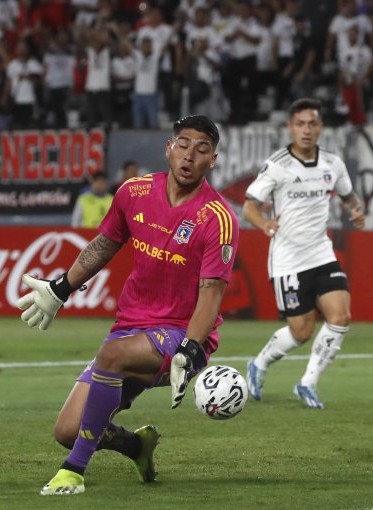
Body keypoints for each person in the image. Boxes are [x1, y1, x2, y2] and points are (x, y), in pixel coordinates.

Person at [17, 115, 239, 496]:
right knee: (68, 430)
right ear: (168, 148)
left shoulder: (218, 219)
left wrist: (191, 346)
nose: (190, 156)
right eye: (183, 145)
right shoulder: (133, 192)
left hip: (181, 335)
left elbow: (211, 293)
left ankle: (73, 472)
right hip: (131, 328)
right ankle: (137, 447)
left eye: (202, 150)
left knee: (111, 355)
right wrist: (61, 289)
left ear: (212, 161)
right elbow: (104, 245)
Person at [243, 98, 366, 409]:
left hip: (321, 253)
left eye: (312, 124)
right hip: (288, 260)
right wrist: (265, 225)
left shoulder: (332, 164)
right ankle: (259, 364)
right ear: (290, 127)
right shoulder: (277, 165)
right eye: (300, 124)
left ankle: (307, 382)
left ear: (320, 127)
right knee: (301, 331)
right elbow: (249, 207)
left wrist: (355, 211)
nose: (307, 130)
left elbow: (348, 195)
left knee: (341, 316)